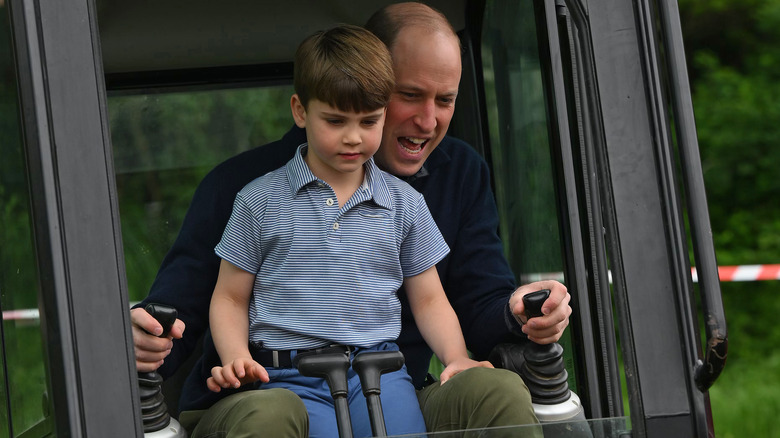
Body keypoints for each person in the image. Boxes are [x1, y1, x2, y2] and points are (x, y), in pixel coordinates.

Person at [131, 3, 572, 437]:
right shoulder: (246, 189)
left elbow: (460, 301)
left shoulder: (453, 177)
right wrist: (147, 337)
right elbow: (186, 310)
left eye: (446, 100)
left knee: (496, 391)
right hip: (266, 389)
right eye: (411, 94)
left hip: (385, 382)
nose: (427, 119)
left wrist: (517, 312)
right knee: (274, 415)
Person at [206, 24, 492, 437]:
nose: (353, 137)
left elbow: (429, 300)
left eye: (369, 120)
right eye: (336, 120)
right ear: (300, 111)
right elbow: (230, 297)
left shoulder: (405, 204)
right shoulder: (258, 199)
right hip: (288, 376)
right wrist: (235, 356)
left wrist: (456, 357)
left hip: (381, 372)